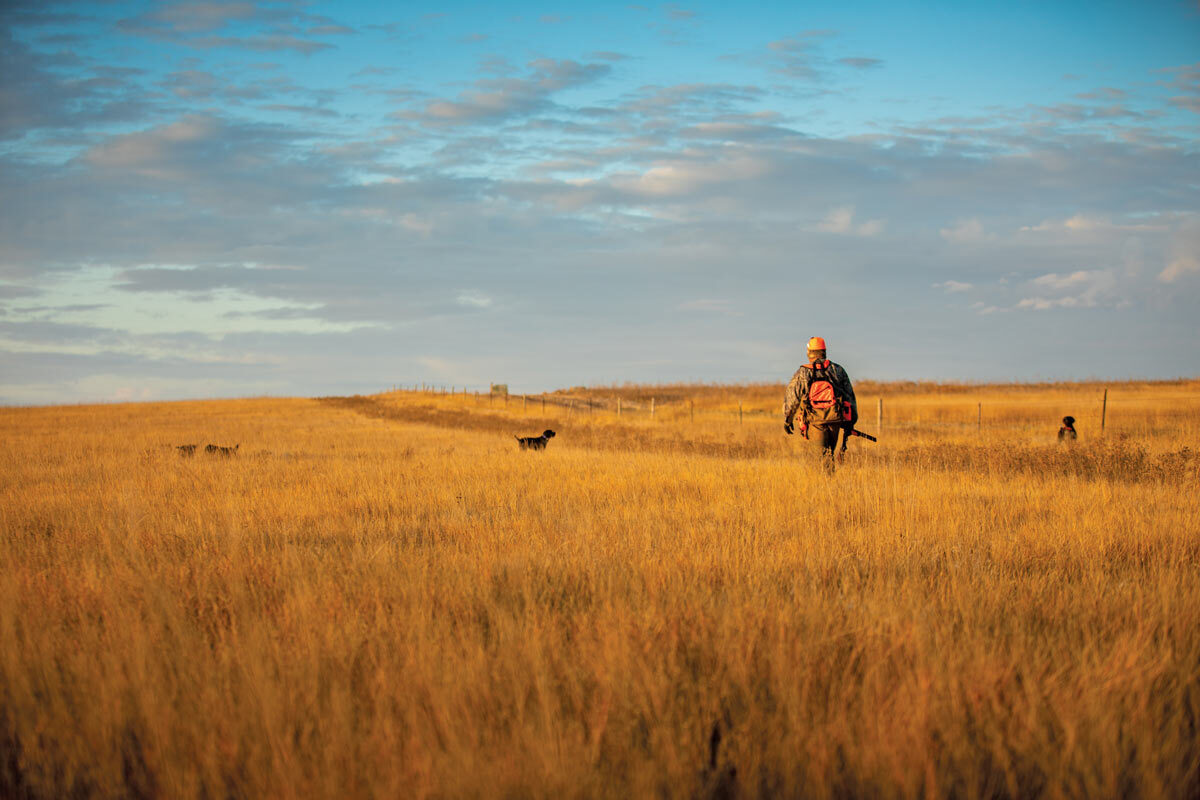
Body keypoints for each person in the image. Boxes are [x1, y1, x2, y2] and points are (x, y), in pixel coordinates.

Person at [783, 337, 858, 472]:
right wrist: (851, 421)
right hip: (835, 419)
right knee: (829, 454)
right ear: (824, 351)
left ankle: (825, 486)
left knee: (822, 457)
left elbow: (792, 397)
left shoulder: (803, 371)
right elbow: (850, 396)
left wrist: (788, 419)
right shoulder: (837, 370)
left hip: (814, 420)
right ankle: (830, 484)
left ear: (809, 352)